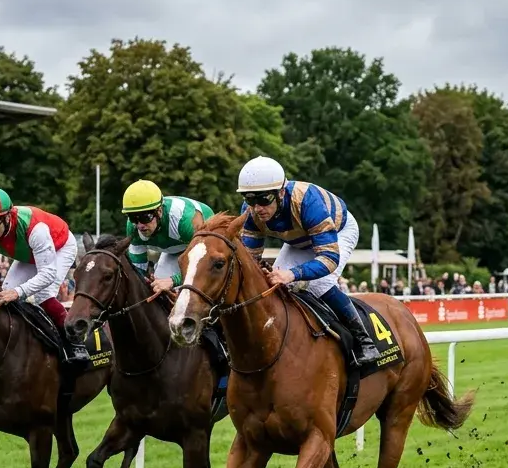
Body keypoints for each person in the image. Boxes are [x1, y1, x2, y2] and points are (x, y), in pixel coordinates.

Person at [235, 156, 382, 365]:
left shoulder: (308, 201)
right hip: (299, 240)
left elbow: (329, 258)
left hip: (339, 231)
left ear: (281, 192)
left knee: (320, 283)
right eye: (250, 200)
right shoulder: (251, 213)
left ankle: (364, 341)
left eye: (264, 199)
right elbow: (250, 260)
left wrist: (292, 273)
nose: (257, 208)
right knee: (273, 284)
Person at [0, 187, 88, 364]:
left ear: (8, 216)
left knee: (42, 295)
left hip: (61, 246)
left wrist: (18, 292)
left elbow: (47, 274)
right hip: (29, 254)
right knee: (6, 295)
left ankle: (75, 341)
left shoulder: (35, 228)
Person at [120, 180, 214, 294]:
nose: (140, 225)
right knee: (158, 287)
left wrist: (174, 280)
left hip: (204, 247)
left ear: (159, 211)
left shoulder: (185, 222)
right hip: (175, 248)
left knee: (191, 289)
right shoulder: (132, 227)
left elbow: (205, 263)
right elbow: (138, 270)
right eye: (133, 218)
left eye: (145, 217)